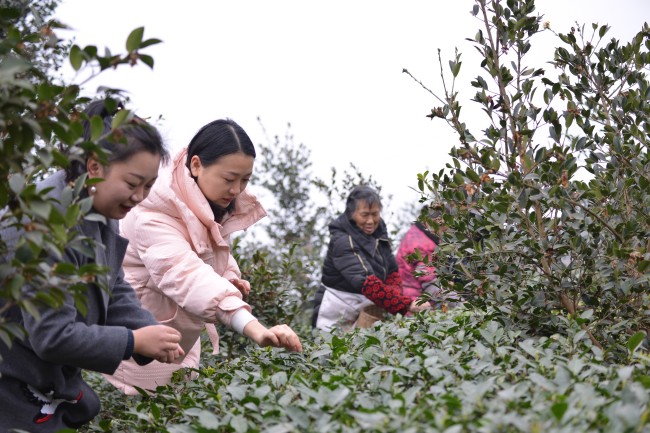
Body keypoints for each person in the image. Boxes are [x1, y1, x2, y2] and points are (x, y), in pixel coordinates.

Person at [0, 99, 185, 432]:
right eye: (132, 184)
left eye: (148, 186)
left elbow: (111, 285)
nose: (139, 197)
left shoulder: (96, 207)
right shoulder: (47, 223)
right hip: (12, 394)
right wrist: (132, 341)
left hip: (44, 390)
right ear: (95, 166)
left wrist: (146, 330)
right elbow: (52, 335)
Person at [104, 118, 303, 395]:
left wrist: (230, 277)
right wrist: (254, 327)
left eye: (245, 180)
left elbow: (215, 254)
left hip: (182, 339)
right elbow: (187, 275)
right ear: (196, 165)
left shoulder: (211, 204)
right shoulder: (154, 214)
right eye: (229, 179)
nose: (236, 190)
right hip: (140, 342)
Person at [311, 185, 431, 332]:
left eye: (375, 214)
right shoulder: (342, 241)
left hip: (364, 307)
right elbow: (367, 283)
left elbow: (391, 270)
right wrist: (406, 303)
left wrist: (394, 294)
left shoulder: (379, 231)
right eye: (365, 215)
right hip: (335, 311)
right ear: (351, 214)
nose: (370, 221)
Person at [396, 206, 463, 310]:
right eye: (442, 225)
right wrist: (461, 305)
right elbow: (430, 282)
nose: (445, 229)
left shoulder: (420, 234)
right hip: (415, 304)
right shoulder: (421, 244)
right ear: (429, 222)